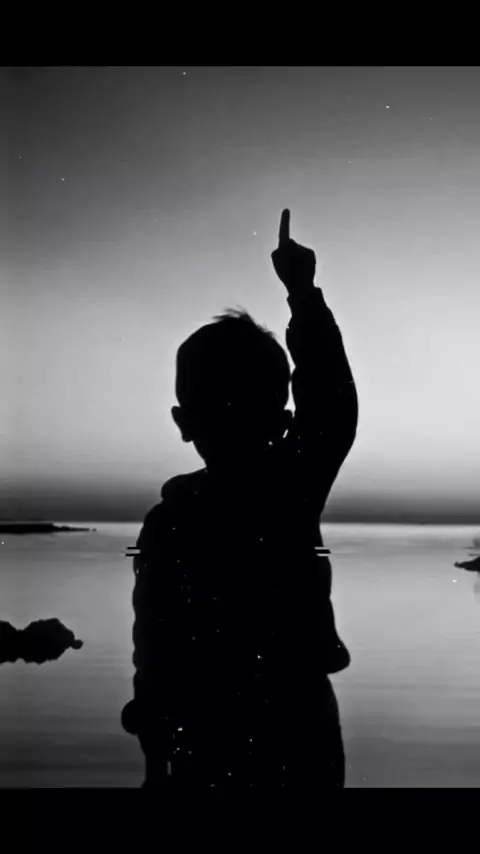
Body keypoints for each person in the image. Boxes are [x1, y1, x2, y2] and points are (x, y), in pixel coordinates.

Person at [122, 209, 358, 798]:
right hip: (251, 735)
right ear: (282, 418)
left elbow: (152, 644)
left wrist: (305, 296)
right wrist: (302, 293)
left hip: (255, 735)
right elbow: (330, 405)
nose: (231, 421)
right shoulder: (286, 491)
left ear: (181, 422)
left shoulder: (188, 517)